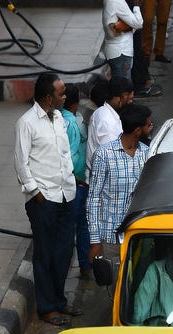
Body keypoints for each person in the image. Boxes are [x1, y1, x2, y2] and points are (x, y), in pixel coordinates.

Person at [13, 73, 79, 327]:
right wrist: (36, 192)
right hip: (43, 199)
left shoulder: (60, 117)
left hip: (66, 194)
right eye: (61, 93)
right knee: (45, 254)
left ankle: (59, 300)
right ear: (47, 97)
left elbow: (63, 155)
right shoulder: (26, 123)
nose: (65, 96)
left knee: (63, 252)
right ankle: (47, 307)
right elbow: (21, 163)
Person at [87, 102, 152, 266]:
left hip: (139, 237)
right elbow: (93, 198)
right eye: (148, 125)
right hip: (111, 240)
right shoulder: (104, 155)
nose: (151, 128)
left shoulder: (147, 154)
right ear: (137, 131)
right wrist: (95, 241)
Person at [60, 83, 91, 281]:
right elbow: (68, 156)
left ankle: (84, 265)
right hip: (76, 182)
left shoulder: (61, 119)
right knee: (81, 225)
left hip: (69, 182)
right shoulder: (71, 123)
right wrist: (78, 178)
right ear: (76, 102)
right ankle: (85, 265)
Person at [85, 75, 134, 176]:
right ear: (123, 96)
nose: (130, 102)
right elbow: (112, 161)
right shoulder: (106, 122)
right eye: (129, 99)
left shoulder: (105, 112)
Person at [103, 0, 143, 80]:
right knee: (123, 91)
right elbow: (138, 23)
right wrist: (136, 4)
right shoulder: (116, 1)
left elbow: (133, 26)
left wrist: (126, 27)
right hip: (120, 52)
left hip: (119, 51)